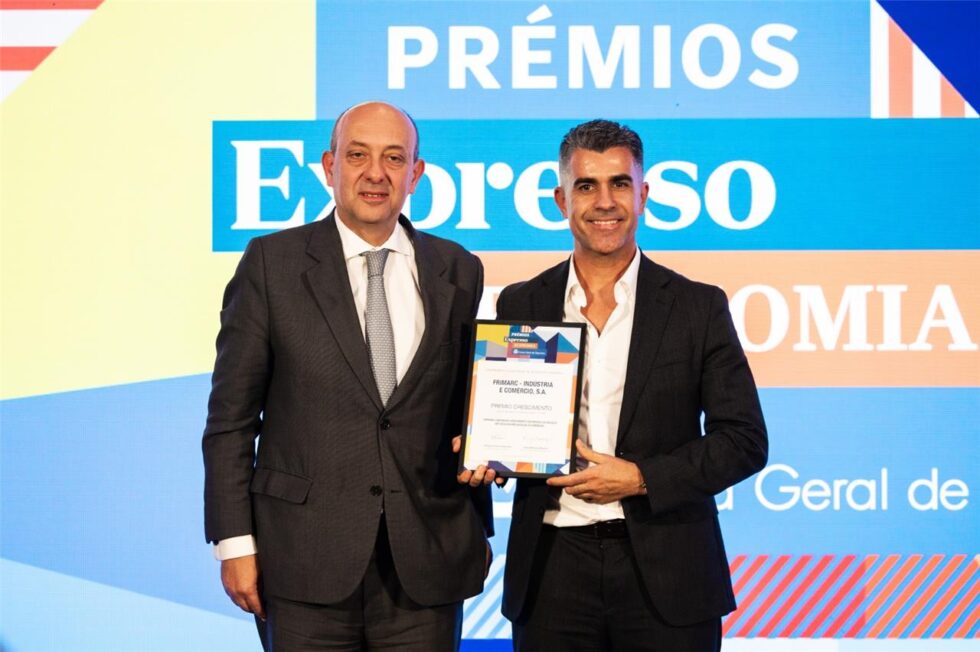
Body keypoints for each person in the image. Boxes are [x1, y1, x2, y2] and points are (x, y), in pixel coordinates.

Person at [203, 101, 492, 651]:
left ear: (416, 173)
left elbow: (464, 407)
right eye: (358, 155)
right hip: (301, 559)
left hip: (427, 561)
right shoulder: (271, 263)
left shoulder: (458, 268)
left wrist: (479, 520)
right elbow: (231, 421)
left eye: (394, 158)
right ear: (329, 166)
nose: (375, 173)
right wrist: (234, 542)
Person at [472, 119, 768, 651]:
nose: (604, 202)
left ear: (643, 195)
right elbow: (509, 422)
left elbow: (744, 441)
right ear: (561, 200)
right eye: (587, 185)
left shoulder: (697, 307)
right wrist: (486, 448)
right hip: (551, 568)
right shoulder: (521, 302)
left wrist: (641, 479)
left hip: (670, 568)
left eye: (620, 184)